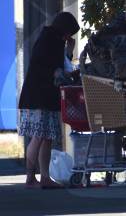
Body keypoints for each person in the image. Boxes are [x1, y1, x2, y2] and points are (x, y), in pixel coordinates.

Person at [18, 12, 80, 189]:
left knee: (47, 138)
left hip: (46, 97)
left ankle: (44, 176)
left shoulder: (55, 40)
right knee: (38, 136)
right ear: (63, 28)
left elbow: (61, 65)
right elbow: (45, 66)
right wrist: (58, 73)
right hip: (38, 98)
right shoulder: (48, 40)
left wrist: (69, 50)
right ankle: (31, 177)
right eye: (69, 32)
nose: (69, 36)